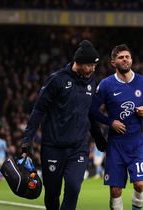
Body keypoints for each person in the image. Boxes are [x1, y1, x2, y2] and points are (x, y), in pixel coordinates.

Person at [21, 40, 106, 210]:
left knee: (74, 187)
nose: (92, 69)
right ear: (78, 62)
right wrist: (27, 140)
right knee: (52, 194)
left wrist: (98, 138)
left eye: (94, 66)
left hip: (78, 148)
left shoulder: (91, 81)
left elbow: (88, 112)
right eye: (89, 65)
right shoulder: (57, 80)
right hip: (53, 147)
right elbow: (39, 109)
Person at [90, 44, 143, 210]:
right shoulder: (106, 85)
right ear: (113, 63)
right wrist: (110, 122)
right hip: (115, 144)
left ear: (131, 59)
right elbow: (92, 110)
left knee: (140, 185)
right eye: (121, 57)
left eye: (127, 57)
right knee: (115, 190)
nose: (125, 59)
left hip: (137, 142)